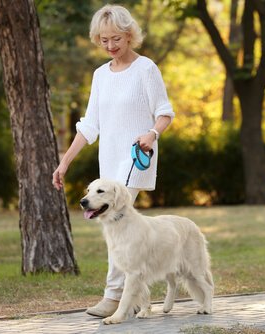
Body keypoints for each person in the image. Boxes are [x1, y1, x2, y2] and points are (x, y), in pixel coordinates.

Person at [52, 4, 174, 317]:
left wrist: (151, 135)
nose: (110, 46)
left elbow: (164, 112)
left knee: (116, 225)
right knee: (119, 230)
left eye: (116, 39)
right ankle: (135, 296)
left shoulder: (145, 68)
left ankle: (114, 296)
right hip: (109, 166)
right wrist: (64, 163)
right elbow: (89, 125)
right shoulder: (100, 76)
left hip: (136, 159)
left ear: (130, 35)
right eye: (104, 40)